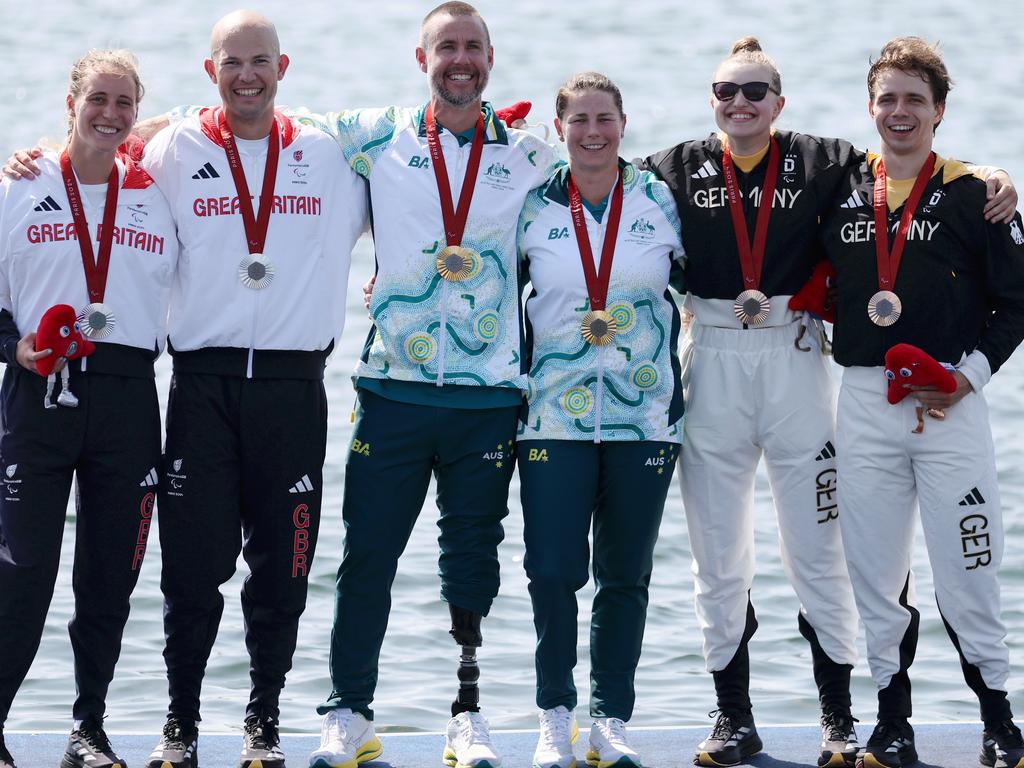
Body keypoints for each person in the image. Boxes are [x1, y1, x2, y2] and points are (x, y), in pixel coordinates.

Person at [642, 37, 1018, 768]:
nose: (740, 103)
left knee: (856, 556)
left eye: (757, 91)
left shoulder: (841, 167)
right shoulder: (697, 169)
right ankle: (763, 718)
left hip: (833, 371)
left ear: (781, 102)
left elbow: (993, 265)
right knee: (743, 559)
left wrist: (998, 177)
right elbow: (598, 186)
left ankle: (888, 722)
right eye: (727, 90)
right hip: (749, 368)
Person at [280, 5, 558, 768]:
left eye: (472, 48)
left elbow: (608, 191)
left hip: (488, 397)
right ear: (421, 56)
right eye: (446, 48)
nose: (459, 60)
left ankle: (467, 713)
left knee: (472, 557)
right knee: (367, 554)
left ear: (492, 59)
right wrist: (126, 137)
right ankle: (348, 712)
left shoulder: (533, 154)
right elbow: (267, 116)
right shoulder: (376, 135)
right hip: (394, 390)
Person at [820, 37, 1024, 768]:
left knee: (970, 568)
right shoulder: (839, 188)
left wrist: (968, 376)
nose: (899, 112)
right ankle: (891, 723)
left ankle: (1000, 724)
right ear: (870, 107)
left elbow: (1016, 302)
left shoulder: (977, 193)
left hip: (949, 401)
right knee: (875, 574)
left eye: (914, 99)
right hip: (867, 402)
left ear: (940, 110)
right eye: (887, 99)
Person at [0, 50, 177, 768]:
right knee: (20, 572)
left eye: (123, 103)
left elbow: (217, 126)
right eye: (96, 99)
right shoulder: (20, 185)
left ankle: (89, 730)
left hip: (128, 395)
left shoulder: (158, 189)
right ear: (68, 102)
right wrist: (14, 350)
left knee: (110, 575)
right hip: (38, 391)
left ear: (138, 113)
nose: (109, 113)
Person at [516, 72, 685, 768]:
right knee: (554, 572)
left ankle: (611, 717)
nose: (593, 131)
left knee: (626, 575)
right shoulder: (530, 205)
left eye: (604, 118)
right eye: (579, 119)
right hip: (553, 415)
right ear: (559, 129)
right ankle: (555, 714)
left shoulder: (662, 200)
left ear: (623, 122)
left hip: (644, 419)